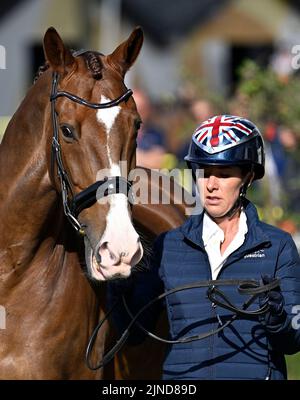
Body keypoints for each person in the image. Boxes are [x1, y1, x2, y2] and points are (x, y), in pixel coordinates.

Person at [108, 115, 300, 380]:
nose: (210, 185)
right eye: (204, 173)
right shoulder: (168, 245)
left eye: (223, 175)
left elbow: (294, 340)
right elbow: (135, 332)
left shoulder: (278, 246)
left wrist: (276, 316)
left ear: (248, 176)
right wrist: (119, 286)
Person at [133, 88, 167, 169]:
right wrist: (146, 157)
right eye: (135, 108)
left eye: (142, 108)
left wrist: (133, 156)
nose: (138, 112)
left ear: (148, 110)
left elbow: (158, 162)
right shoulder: (119, 134)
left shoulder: (156, 134)